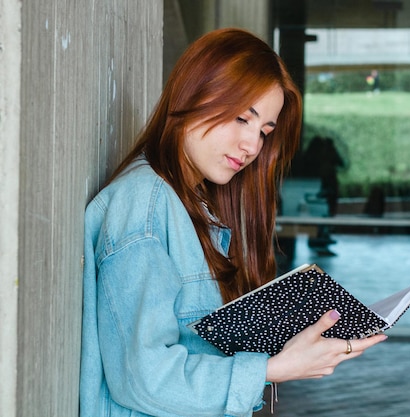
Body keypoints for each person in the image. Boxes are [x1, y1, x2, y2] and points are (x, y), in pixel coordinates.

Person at [80, 28, 387, 417]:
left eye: (263, 131)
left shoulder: (192, 206)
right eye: (242, 118)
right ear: (193, 94)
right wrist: (274, 369)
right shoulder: (144, 203)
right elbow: (144, 378)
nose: (252, 146)